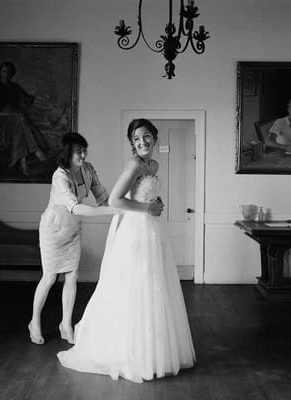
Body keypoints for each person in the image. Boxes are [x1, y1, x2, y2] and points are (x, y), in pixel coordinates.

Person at [57, 119, 196, 383]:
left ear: (154, 138)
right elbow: (115, 200)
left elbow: (142, 194)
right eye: (135, 139)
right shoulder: (134, 164)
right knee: (133, 286)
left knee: (154, 285)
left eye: (145, 137)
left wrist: (155, 202)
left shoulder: (153, 164)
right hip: (135, 230)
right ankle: (130, 353)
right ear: (132, 144)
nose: (141, 142)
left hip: (152, 229)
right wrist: (147, 208)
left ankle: (155, 352)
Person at [28, 132, 117, 345]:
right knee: (49, 277)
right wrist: (111, 212)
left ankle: (66, 324)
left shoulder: (88, 169)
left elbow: (102, 197)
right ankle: (34, 322)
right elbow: (75, 206)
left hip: (73, 230)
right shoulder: (60, 176)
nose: (83, 155)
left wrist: (118, 208)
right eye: (79, 152)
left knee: (72, 275)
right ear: (68, 154)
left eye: (85, 150)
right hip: (52, 230)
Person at [0, 61, 51, 175]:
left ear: (12, 74)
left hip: (16, 119)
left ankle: (23, 161)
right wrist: (10, 114)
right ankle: (37, 151)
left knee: (19, 122)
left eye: (9, 72)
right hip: (1, 118)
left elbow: (28, 98)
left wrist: (42, 100)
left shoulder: (15, 87)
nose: (7, 74)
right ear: (0, 73)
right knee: (20, 118)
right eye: (4, 72)